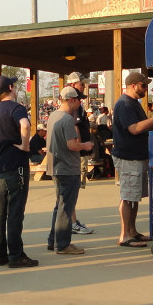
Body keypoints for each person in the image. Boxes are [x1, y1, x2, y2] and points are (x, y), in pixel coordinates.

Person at [0, 75, 37, 268]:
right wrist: (25, 145)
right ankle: (16, 254)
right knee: (15, 211)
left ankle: (0, 254)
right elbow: (25, 125)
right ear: (10, 87)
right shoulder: (17, 108)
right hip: (15, 164)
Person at [111, 71, 153, 248]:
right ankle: (125, 235)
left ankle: (132, 231)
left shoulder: (133, 103)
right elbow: (134, 129)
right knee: (128, 196)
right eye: (143, 85)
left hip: (136, 157)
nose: (146, 88)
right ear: (133, 86)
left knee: (134, 197)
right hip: (128, 157)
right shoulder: (125, 104)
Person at [45, 86, 94, 255]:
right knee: (66, 207)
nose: (80, 102)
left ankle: (54, 240)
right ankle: (63, 244)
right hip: (67, 167)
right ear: (71, 100)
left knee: (59, 205)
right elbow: (71, 145)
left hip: (56, 166)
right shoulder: (67, 120)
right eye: (79, 99)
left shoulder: (53, 116)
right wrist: (85, 145)